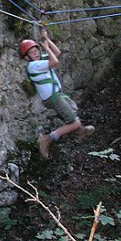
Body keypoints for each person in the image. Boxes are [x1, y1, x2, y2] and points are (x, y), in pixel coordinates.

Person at [19, 28, 95, 159]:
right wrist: (45, 47)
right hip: (52, 98)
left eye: (36, 50)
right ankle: (47, 139)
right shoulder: (33, 66)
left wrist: (46, 39)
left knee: (72, 111)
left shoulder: (39, 61)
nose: (36, 53)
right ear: (27, 57)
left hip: (56, 95)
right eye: (32, 52)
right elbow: (55, 61)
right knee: (74, 122)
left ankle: (79, 131)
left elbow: (57, 53)